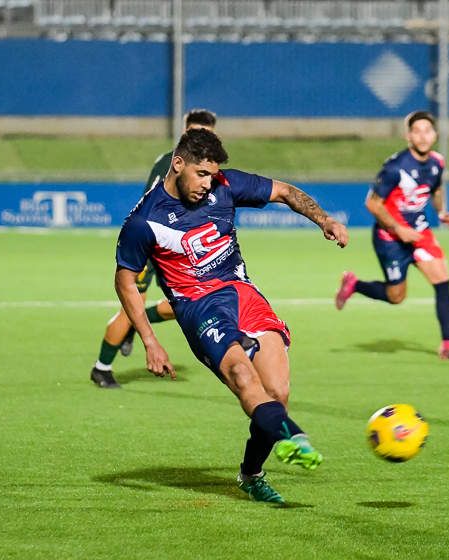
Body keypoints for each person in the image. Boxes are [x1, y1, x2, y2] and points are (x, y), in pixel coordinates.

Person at [114, 128, 348, 503]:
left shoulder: (226, 185)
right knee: (242, 374)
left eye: (212, 175)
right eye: (201, 174)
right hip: (198, 308)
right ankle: (296, 437)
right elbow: (125, 281)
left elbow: (285, 191)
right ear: (178, 165)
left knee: (278, 392)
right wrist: (150, 340)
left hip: (242, 294)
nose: (208, 184)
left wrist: (325, 220)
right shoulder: (144, 221)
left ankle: (251, 474)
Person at [90, 109, 217, 389]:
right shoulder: (173, 162)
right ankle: (102, 368)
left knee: (186, 304)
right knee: (128, 309)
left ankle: (137, 323)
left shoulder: (208, 168)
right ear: (184, 133)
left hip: (179, 247)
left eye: (205, 134)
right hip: (153, 244)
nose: (198, 138)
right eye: (193, 132)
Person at [334, 110, 449, 360]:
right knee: (396, 296)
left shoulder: (438, 162)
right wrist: (398, 229)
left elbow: (435, 189)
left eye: (427, 130)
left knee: (442, 280)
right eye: (416, 131)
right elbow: (373, 204)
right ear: (408, 136)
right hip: (390, 239)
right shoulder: (395, 167)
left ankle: (448, 344)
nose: (423, 136)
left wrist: (442, 213)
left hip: (419, 233)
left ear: (435, 135)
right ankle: (355, 284)